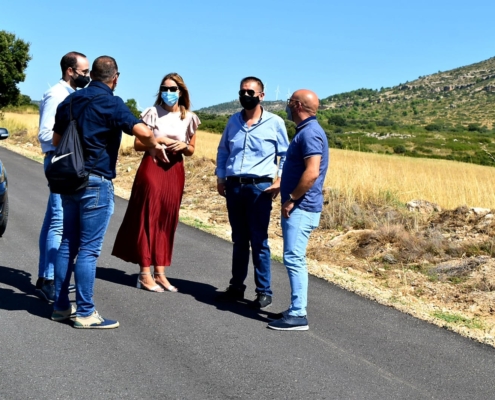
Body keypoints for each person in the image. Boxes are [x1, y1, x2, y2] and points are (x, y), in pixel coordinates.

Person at [51, 56, 167, 329]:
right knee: (89, 250)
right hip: (96, 180)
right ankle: (86, 312)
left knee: (68, 243)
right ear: (116, 77)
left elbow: (56, 140)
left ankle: (60, 307)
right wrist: (154, 142)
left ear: (91, 74)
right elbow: (140, 131)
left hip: (68, 179)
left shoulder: (70, 101)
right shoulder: (113, 103)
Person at [112, 73, 200, 292]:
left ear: (181, 92)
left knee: (166, 219)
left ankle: (160, 273)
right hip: (152, 168)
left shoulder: (190, 117)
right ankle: (144, 273)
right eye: (164, 88)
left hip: (174, 171)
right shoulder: (152, 113)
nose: (168, 93)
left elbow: (191, 150)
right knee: (148, 217)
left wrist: (183, 147)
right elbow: (137, 145)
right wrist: (157, 140)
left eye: (172, 89)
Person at [215, 76, 289, 309]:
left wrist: (280, 179)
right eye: (242, 91)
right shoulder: (232, 122)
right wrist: (220, 177)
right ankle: (236, 286)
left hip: (259, 188)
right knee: (239, 239)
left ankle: (264, 291)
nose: (246, 95)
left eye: (251, 92)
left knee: (259, 240)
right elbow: (223, 150)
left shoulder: (275, 122)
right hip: (234, 185)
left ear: (261, 95)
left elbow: (285, 154)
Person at [267, 89, 329, 331]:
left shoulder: (310, 133)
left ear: (298, 105)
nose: (287, 105)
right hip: (302, 205)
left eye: (290, 101)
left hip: (302, 207)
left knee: (294, 258)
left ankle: (298, 314)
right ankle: (295, 307)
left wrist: (292, 198)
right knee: (294, 257)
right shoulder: (307, 131)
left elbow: (312, 172)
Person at [35, 51, 90, 303]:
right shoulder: (56, 94)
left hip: (65, 161)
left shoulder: (71, 94)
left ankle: (45, 276)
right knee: (58, 220)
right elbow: (45, 134)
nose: (87, 76)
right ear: (70, 70)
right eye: (84, 71)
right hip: (59, 162)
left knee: (52, 218)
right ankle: (50, 280)